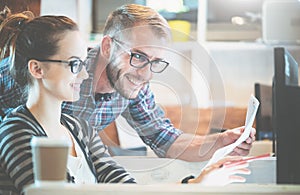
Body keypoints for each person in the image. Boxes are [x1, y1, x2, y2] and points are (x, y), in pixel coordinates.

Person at [0, 8, 251, 195]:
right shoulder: (18, 122)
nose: (146, 73)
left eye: (155, 63)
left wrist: (215, 152)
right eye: (139, 57)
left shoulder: (80, 129)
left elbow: (157, 148)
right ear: (108, 47)